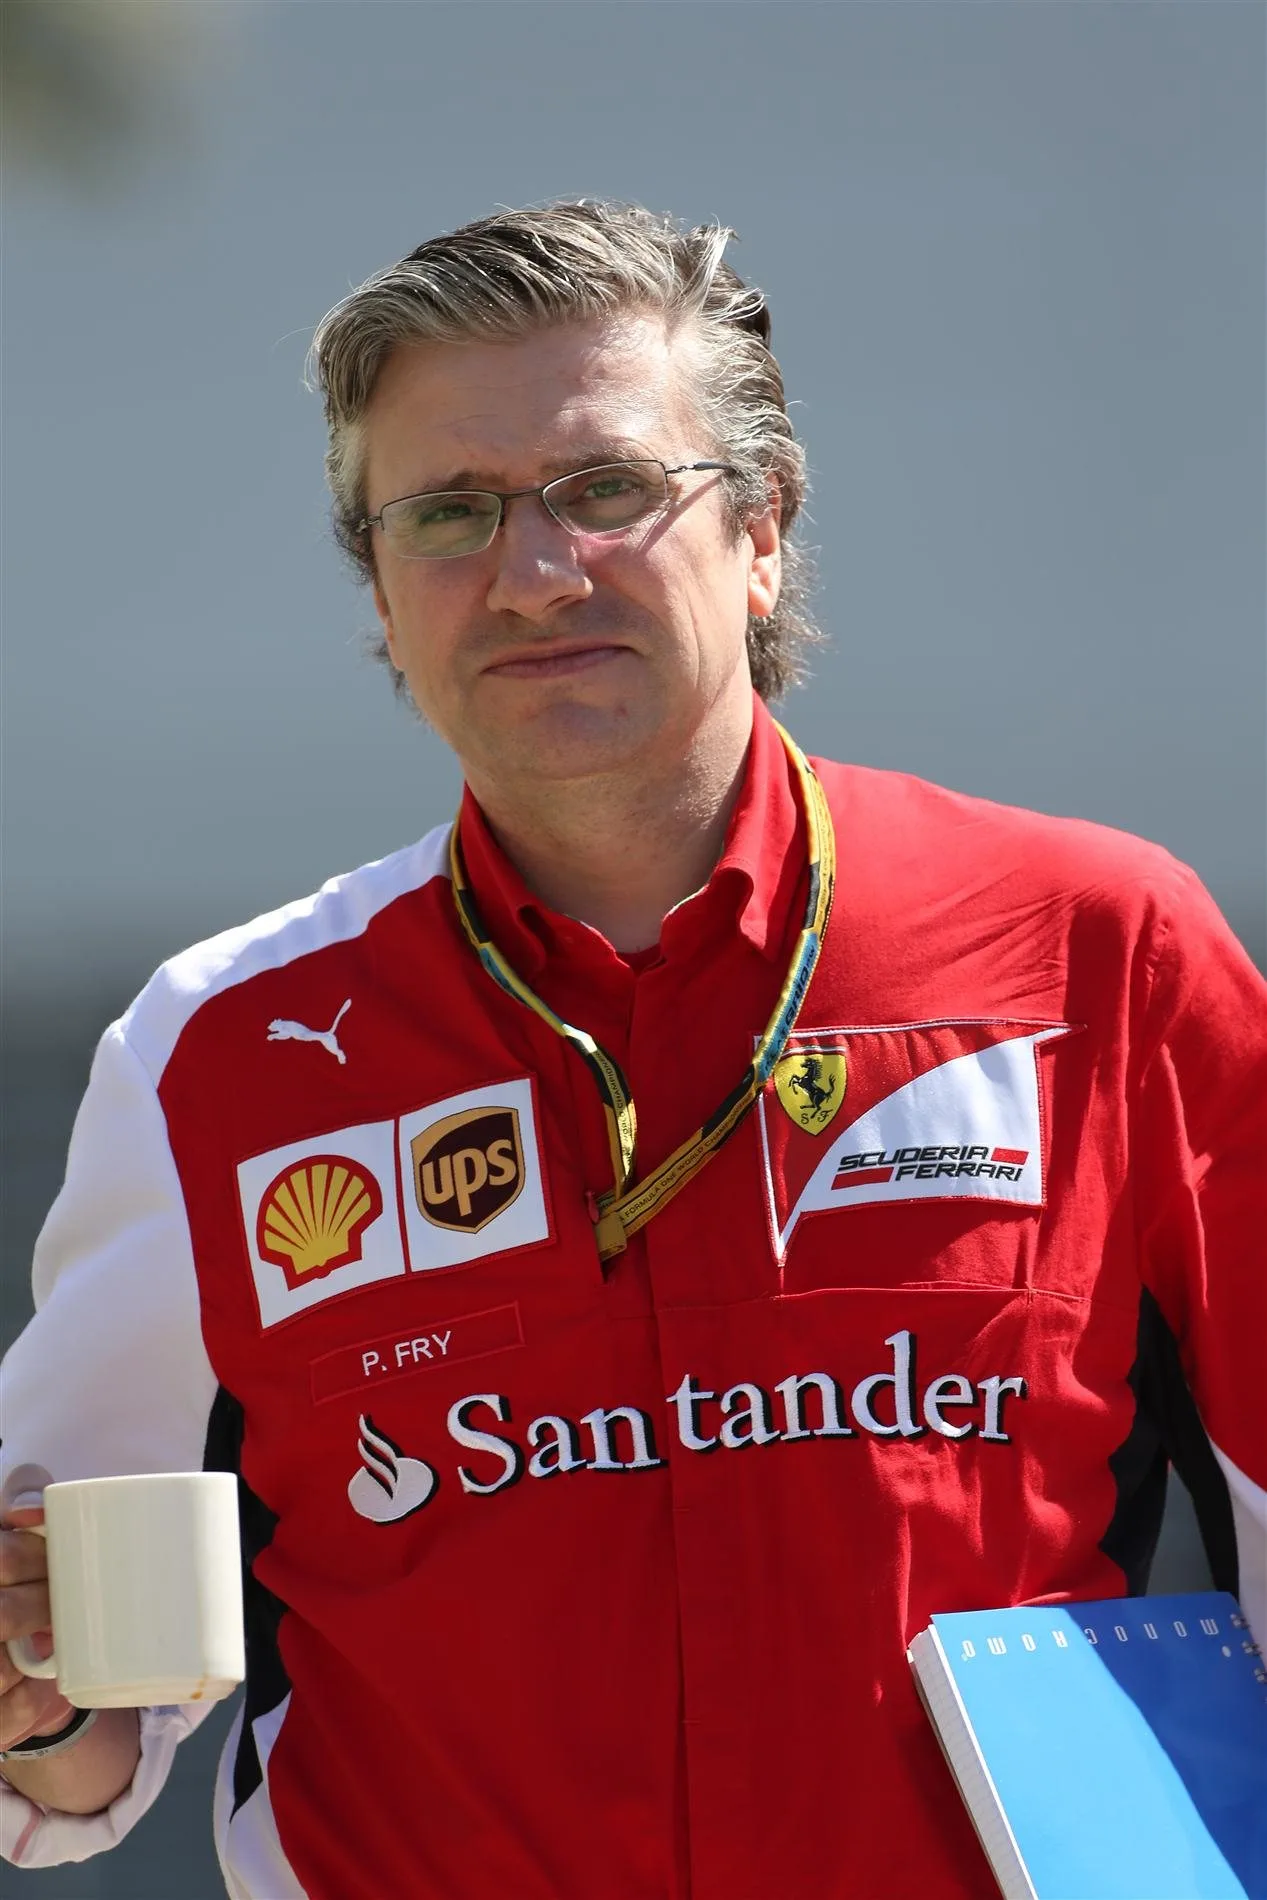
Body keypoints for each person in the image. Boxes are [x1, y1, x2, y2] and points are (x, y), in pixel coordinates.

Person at [2, 200, 1264, 1899]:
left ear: (762, 528)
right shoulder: (212, 1054)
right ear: (375, 587)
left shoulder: (1098, 947)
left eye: (605, 490)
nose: (531, 574)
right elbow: (80, 1727)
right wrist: (32, 1700)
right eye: (446, 513)